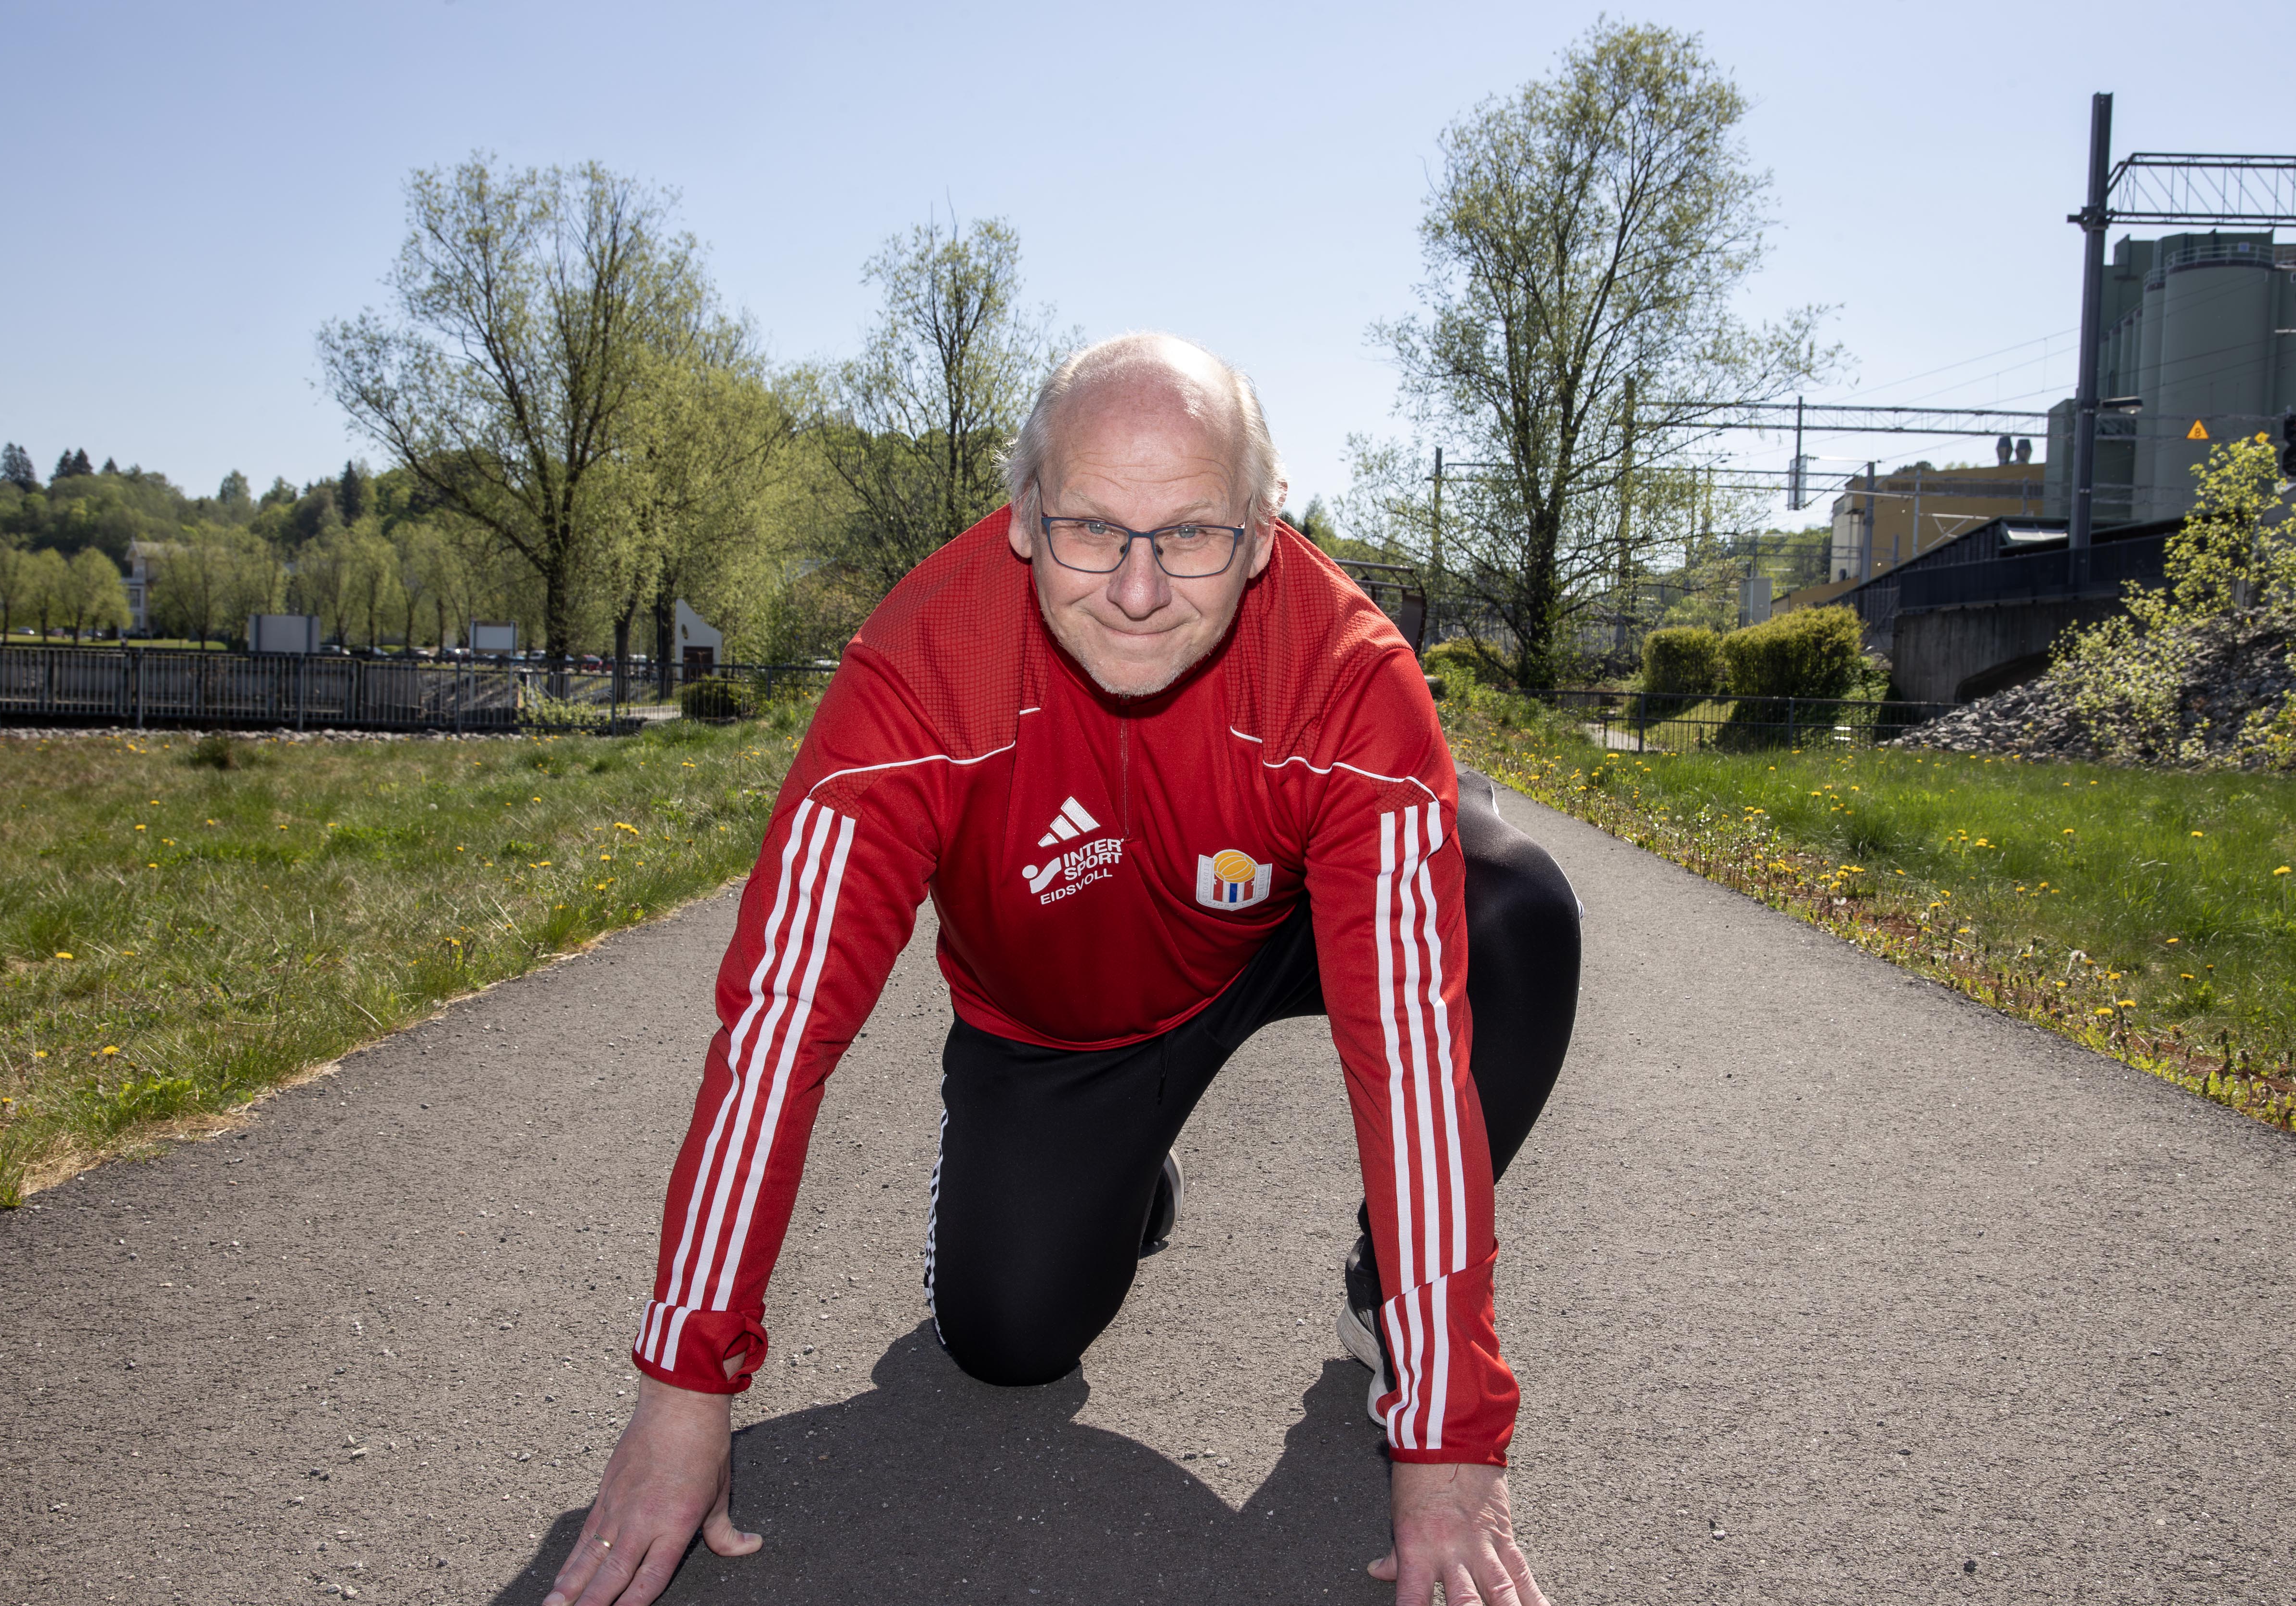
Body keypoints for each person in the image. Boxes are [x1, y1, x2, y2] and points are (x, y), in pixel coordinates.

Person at [544, 332, 1580, 1606]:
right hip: (1065, 1028)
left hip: (1286, 920)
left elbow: (1411, 1057)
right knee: (1007, 1344)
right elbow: (780, 1023)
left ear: (1266, 533)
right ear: (1026, 517)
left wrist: (1450, 1433)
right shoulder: (920, 671)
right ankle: (1123, 1172)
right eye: (1092, 529)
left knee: (1516, 910)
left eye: (1191, 535)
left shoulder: (1345, 674)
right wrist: (683, 1382)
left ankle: (1384, 1294)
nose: (1139, 591)